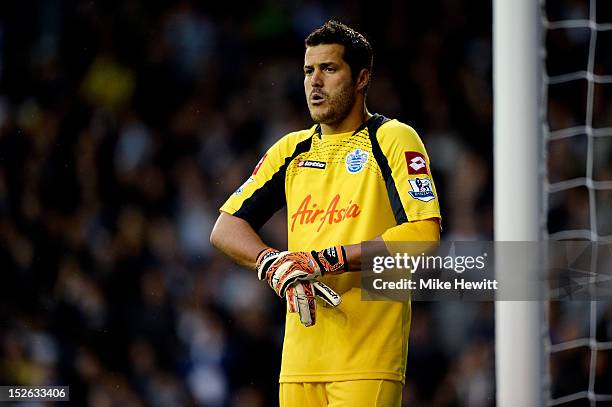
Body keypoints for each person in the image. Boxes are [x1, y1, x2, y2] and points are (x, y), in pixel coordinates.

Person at [210, 20, 441, 406]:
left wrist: (326, 260)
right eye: (308, 71)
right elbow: (225, 227)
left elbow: (424, 236)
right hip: (299, 363)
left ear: (362, 77)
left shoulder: (392, 138)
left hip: (367, 359)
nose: (314, 82)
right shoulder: (291, 149)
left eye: (329, 69)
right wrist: (271, 262)